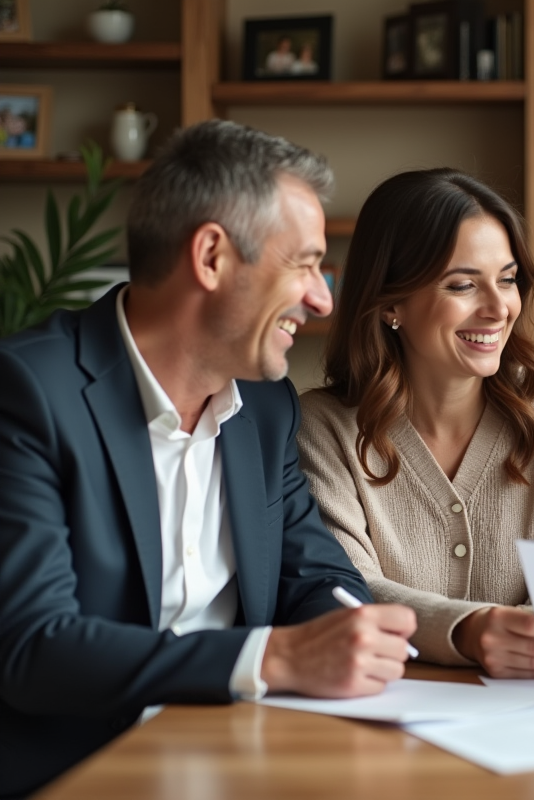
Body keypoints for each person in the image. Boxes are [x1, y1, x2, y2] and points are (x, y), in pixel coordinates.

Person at [0, 120, 417, 799]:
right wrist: (273, 656)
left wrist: (350, 628)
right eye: (305, 264)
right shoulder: (28, 393)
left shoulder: (268, 409)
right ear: (212, 256)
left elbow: (316, 577)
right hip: (74, 776)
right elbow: (33, 648)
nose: (323, 299)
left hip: (247, 761)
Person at [297, 168, 534, 679]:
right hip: (384, 712)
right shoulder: (322, 425)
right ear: (391, 303)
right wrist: (467, 630)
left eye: (507, 280)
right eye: (463, 284)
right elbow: (347, 590)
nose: (498, 309)